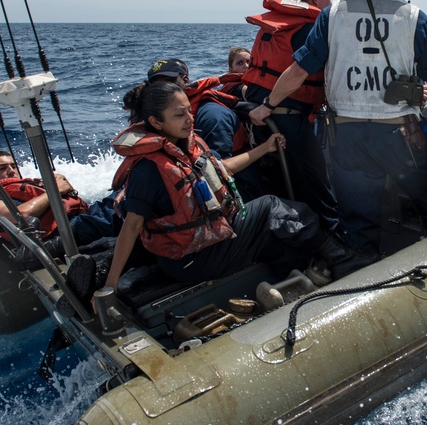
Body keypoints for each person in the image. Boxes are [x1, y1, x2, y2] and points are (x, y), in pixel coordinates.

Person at [250, 0, 427, 259]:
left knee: (358, 222)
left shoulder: (332, 15)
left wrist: (267, 105)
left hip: (346, 138)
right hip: (399, 134)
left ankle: (360, 277)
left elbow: (299, 71)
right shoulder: (414, 17)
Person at [102, 80, 354, 290]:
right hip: (193, 259)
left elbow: (220, 169)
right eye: (179, 115)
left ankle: (298, 279)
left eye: (189, 111)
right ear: (156, 122)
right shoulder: (148, 169)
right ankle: (343, 259)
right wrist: (110, 286)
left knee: (276, 237)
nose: (189, 119)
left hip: (208, 239)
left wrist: (264, 149)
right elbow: (132, 225)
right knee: (273, 207)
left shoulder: (184, 145)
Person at [241, 0, 340, 234]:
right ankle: (338, 248)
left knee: (282, 185)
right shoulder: (310, 28)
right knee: (318, 188)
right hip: (284, 115)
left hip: (262, 118)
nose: (331, 2)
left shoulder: (276, 25)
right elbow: (300, 72)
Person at [144, 58, 267, 200]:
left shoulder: (213, 116)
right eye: (155, 84)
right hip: (180, 178)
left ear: (185, 80)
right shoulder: (157, 118)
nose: (163, 89)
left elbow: (220, 171)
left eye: (168, 81)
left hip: (233, 187)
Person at [0, 151, 117, 246]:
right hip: (64, 235)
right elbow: (20, 215)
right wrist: (54, 191)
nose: (11, 170)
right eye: (2, 168)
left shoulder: (27, 186)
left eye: (13, 166)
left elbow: (64, 184)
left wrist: (57, 181)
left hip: (78, 220)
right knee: (124, 207)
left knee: (123, 193)